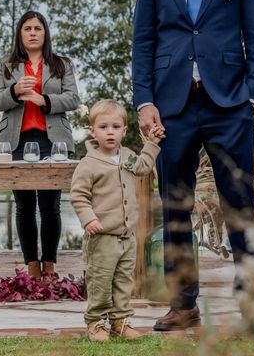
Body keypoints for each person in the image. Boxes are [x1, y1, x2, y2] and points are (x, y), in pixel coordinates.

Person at [132, 0, 254, 331]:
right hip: (171, 107)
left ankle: (253, 299)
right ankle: (183, 303)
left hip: (228, 103)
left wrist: (251, 93)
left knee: (239, 203)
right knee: (175, 206)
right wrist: (145, 101)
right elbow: (144, 44)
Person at [0, 10, 80, 279]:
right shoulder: (5, 64)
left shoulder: (62, 64)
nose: (32, 33)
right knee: (24, 206)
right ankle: (32, 265)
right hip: (15, 142)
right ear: (20, 33)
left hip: (53, 143)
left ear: (45, 33)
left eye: (37, 28)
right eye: (27, 28)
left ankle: (49, 265)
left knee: (51, 206)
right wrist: (15, 92)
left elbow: (74, 99)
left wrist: (46, 101)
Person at [70, 99, 163, 341]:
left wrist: (152, 144)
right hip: (101, 237)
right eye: (103, 127)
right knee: (101, 281)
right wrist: (88, 219)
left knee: (123, 281)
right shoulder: (88, 164)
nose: (109, 132)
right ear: (93, 131)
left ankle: (120, 321)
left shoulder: (128, 156)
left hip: (126, 236)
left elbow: (143, 167)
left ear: (124, 130)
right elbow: (78, 196)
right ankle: (95, 322)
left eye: (115, 126)